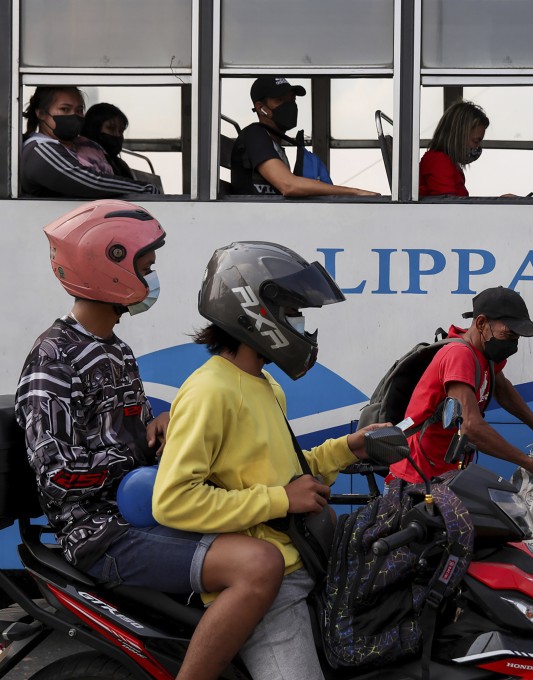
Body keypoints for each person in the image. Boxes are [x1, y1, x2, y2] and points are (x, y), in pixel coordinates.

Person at [14, 201, 283, 680]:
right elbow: (57, 475)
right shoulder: (53, 358)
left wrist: (154, 427)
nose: (152, 274)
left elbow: (123, 432)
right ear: (105, 266)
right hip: (101, 533)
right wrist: (131, 464)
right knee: (258, 564)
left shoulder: (116, 350)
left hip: (144, 514)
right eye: (144, 265)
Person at [152, 241, 387, 680]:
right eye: (294, 311)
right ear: (253, 310)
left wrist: (350, 447)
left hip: (303, 561)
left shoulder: (261, 384)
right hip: (270, 587)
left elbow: (287, 475)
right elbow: (173, 501)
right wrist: (280, 500)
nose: (301, 324)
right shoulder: (211, 391)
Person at [389, 286, 533, 485]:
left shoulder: (485, 354)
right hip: (416, 477)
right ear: (482, 323)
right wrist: (530, 464)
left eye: (517, 338)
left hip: (445, 473)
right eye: (509, 334)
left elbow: (502, 389)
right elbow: (471, 427)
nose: (514, 344)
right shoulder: (459, 355)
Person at [230, 76, 378, 197]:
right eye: (280, 100)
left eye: (292, 101)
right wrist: (353, 192)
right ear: (261, 108)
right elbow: (288, 185)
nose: (289, 107)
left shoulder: (274, 143)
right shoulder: (255, 134)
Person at [20, 87, 157, 197]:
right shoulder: (39, 150)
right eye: (65, 109)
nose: (73, 115)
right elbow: (91, 182)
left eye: (79, 110)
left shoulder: (86, 145)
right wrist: (145, 189)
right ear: (41, 113)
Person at [419, 100, 495, 197]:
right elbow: (448, 208)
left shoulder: (447, 163)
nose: (477, 147)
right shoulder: (439, 162)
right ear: (459, 135)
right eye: (476, 141)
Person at [82, 103, 133, 179]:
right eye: (110, 128)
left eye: (120, 131)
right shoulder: (86, 159)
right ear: (94, 129)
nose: (117, 135)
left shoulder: (120, 165)